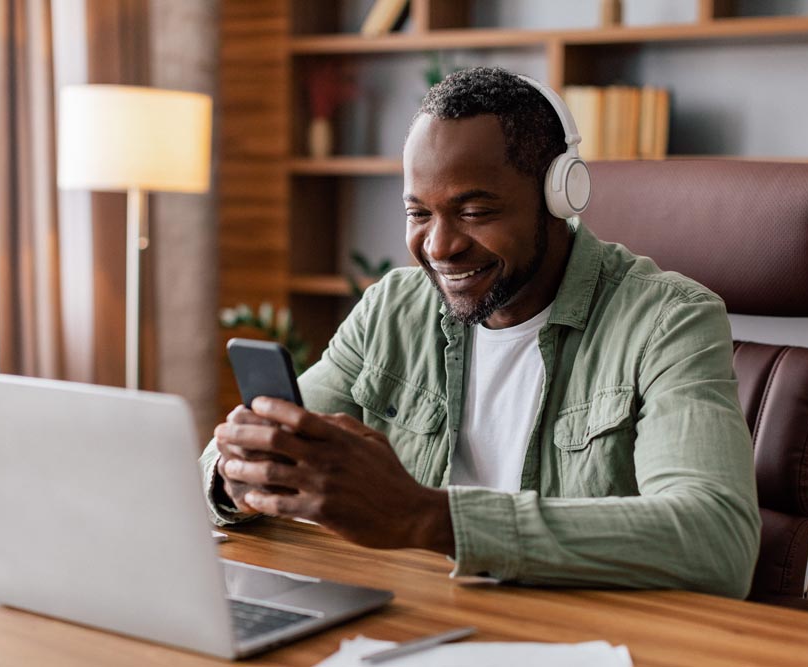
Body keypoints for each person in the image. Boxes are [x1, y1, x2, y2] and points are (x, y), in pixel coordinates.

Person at [199, 67, 760, 599]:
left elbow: (716, 540)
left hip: (573, 638)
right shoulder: (393, 308)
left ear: (559, 197)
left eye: (473, 211)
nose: (439, 247)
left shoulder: (669, 320)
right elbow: (229, 463)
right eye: (419, 214)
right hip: (423, 618)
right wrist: (241, 473)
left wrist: (424, 516)